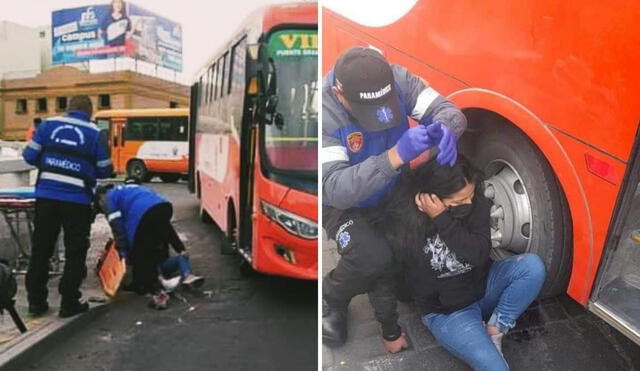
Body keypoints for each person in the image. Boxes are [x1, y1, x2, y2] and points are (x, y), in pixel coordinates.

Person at [322, 46, 468, 350]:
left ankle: (394, 277)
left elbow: (448, 108)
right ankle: (333, 298)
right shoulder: (324, 113)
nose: (381, 117)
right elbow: (335, 187)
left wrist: (447, 128)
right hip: (347, 206)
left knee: (415, 245)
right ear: (339, 93)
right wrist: (395, 156)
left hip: (394, 189)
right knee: (372, 257)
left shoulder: (398, 78)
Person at [382, 159, 546, 370]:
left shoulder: (473, 201)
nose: (468, 204)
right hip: (449, 312)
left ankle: (496, 328)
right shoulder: (406, 222)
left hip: (483, 284)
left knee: (532, 266)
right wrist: (390, 331)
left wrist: (444, 219)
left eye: (470, 197)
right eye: (458, 202)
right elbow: (384, 276)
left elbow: (478, 254)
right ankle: (476, 335)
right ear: (432, 197)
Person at [23, 95, 113, 318]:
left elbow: (29, 156)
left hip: (46, 196)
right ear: (90, 112)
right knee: (75, 251)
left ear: (68, 109)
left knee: (41, 249)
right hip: (77, 201)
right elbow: (104, 170)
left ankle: (36, 302)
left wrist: (52, 163)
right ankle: (69, 302)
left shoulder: (48, 125)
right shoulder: (96, 134)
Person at [94, 179, 203, 302]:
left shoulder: (109, 200)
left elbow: (119, 230)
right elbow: (166, 228)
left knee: (139, 250)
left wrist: (124, 256)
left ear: (99, 198)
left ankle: (145, 285)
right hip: (163, 206)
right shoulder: (127, 190)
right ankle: (172, 277)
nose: (103, 212)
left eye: (100, 210)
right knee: (155, 237)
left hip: (142, 215)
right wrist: (180, 248)